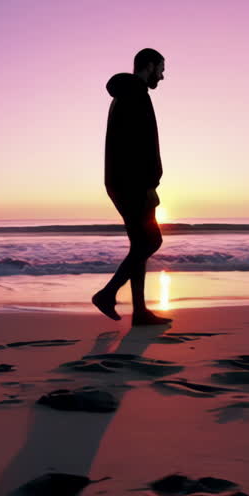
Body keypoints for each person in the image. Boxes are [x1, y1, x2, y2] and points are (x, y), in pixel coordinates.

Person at [91, 47, 172, 325]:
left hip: (121, 181)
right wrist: (150, 184)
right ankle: (107, 294)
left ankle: (139, 312)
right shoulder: (136, 95)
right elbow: (139, 145)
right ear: (149, 66)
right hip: (133, 182)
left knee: (140, 243)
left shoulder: (124, 95)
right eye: (161, 69)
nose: (162, 76)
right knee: (152, 241)